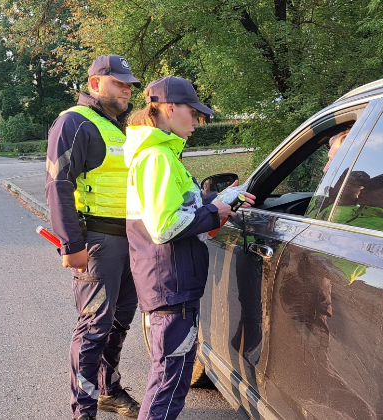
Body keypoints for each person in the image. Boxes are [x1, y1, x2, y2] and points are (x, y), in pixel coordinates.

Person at [123, 76, 255, 420]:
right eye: (192, 113)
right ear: (169, 109)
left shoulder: (158, 154)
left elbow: (179, 208)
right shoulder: (158, 158)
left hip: (169, 283)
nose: (196, 122)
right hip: (171, 286)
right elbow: (164, 226)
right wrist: (215, 211)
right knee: (168, 384)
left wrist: (221, 198)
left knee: (171, 379)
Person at [45, 54, 143, 420]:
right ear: (94, 84)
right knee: (93, 328)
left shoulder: (119, 128)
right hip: (99, 243)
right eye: (118, 83)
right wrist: (71, 245)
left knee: (119, 323)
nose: (126, 90)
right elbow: (58, 183)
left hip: (133, 242)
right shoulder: (74, 122)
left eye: (129, 85)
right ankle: (83, 411)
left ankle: (108, 391)